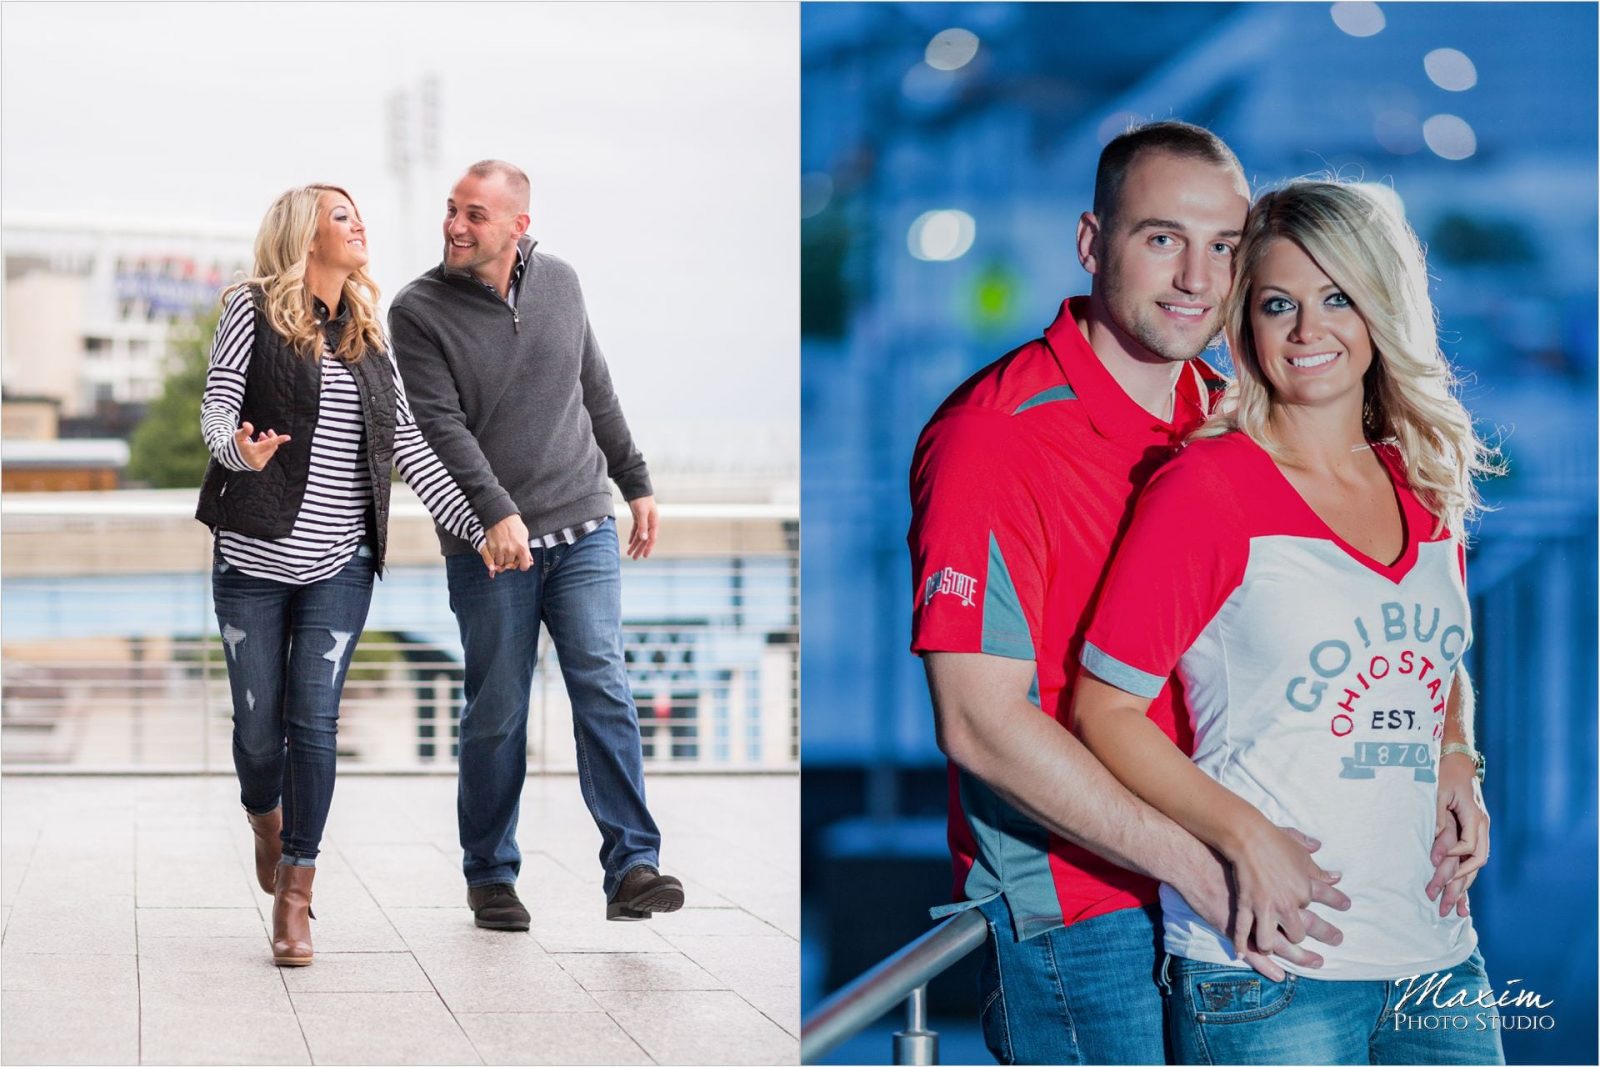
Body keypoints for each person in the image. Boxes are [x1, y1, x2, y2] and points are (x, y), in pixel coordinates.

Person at [909, 121, 1360, 1066]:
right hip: (1089, 914)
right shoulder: (993, 438)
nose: (1198, 277)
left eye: (1226, 246)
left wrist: (1452, 751)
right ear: (1091, 243)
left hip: (1229, 880)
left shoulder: (1230, 415)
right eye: (1162, 239)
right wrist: (1202, 865)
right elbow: (981, 722)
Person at [1072, 179, 1502, 1064]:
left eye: (1336, 297)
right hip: (1270, 968)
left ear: (1381, 307)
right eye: (1278, 304)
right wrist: (1244, 835)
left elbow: (1434, 650)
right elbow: (1103, 710)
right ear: (1247, 324)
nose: (1308, 331)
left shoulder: (1419, 481)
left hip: (1438, 957)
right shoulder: (1207, 489)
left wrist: (1458, 750)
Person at [197, 184, 491, 966]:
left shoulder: (366, 334)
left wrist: (478, 525)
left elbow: (413, 452)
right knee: (260, 732)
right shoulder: (251, 308)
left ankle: (296, 892)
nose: (358, 223)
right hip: (252, 559)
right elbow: (218, 408)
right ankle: (266, 817)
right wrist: (241, 451)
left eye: (358, 213)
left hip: (341, 563)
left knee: (315, 722)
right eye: (340, 215)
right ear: (304, 233)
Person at [389, 159, 683, 928]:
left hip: (582, 521)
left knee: (602, 680)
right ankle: (489, 872)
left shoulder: (562, 282)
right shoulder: (416, 309)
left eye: (474, 214)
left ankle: (633, 865)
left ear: (518, 225)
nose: (455, 224)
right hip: (490, 545)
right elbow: (437, 424)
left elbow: (595, 385)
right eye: (452, 209)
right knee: (499, 707)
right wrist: (493, 511)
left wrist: (636, 478)